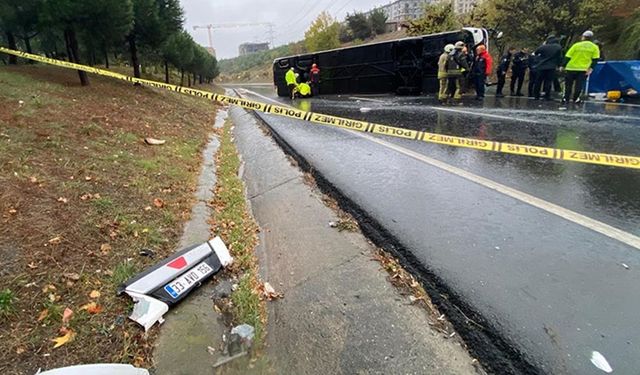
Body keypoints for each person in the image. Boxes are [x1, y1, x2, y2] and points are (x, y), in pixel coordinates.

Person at [562, 30, 600, 103]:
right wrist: (591, 68)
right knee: (579, 85)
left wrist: (563, 65)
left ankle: (566, 98)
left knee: (568, 84)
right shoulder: (595, 47)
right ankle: (576, 98)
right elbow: (595, 59)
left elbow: (568, 56)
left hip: (571, 67)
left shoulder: (576, 45)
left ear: (583, 37)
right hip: (583, 69)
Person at [533, 35, 563, 100]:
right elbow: (559, 57)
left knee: (538, 81)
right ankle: (547, 95)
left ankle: (536, 95)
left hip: (541, 66)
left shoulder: (543, 47)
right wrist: (560, 65)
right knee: (548, 81)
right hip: (551, 66)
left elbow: (536, 52)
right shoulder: (558, 47)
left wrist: (543, 45)